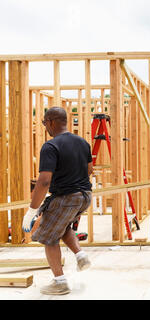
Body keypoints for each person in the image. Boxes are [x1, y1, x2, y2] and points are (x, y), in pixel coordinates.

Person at [22, 107, 93, 295]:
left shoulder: (50, 146)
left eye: (45, 123)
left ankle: (60, 282)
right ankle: (81, 256)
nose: (45, 127)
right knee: (61, 226)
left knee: (49, 236)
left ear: (51, 121)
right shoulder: (83, 142)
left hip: (67, 197)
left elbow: (44, 181)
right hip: (85, 196)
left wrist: (31, 211)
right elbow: (89, 170)